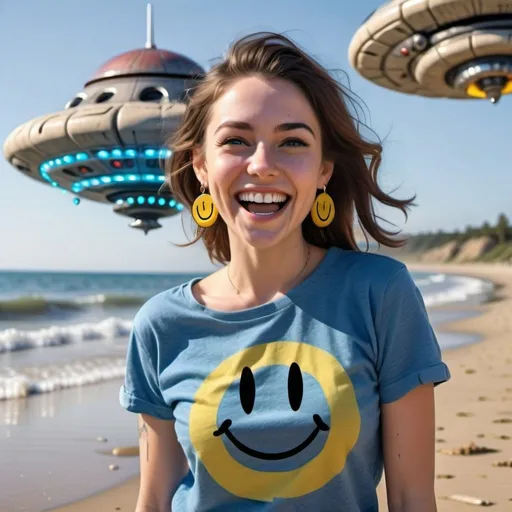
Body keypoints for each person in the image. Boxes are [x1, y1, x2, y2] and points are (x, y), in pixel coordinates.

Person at [120, 32, 450, 512]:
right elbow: (153, 500)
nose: (262, 165)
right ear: (201, 165)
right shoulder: (159, 324)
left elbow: (413, 498)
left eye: (291, 141)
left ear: (323, 171)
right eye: (235, 140)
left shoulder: (380, 295)